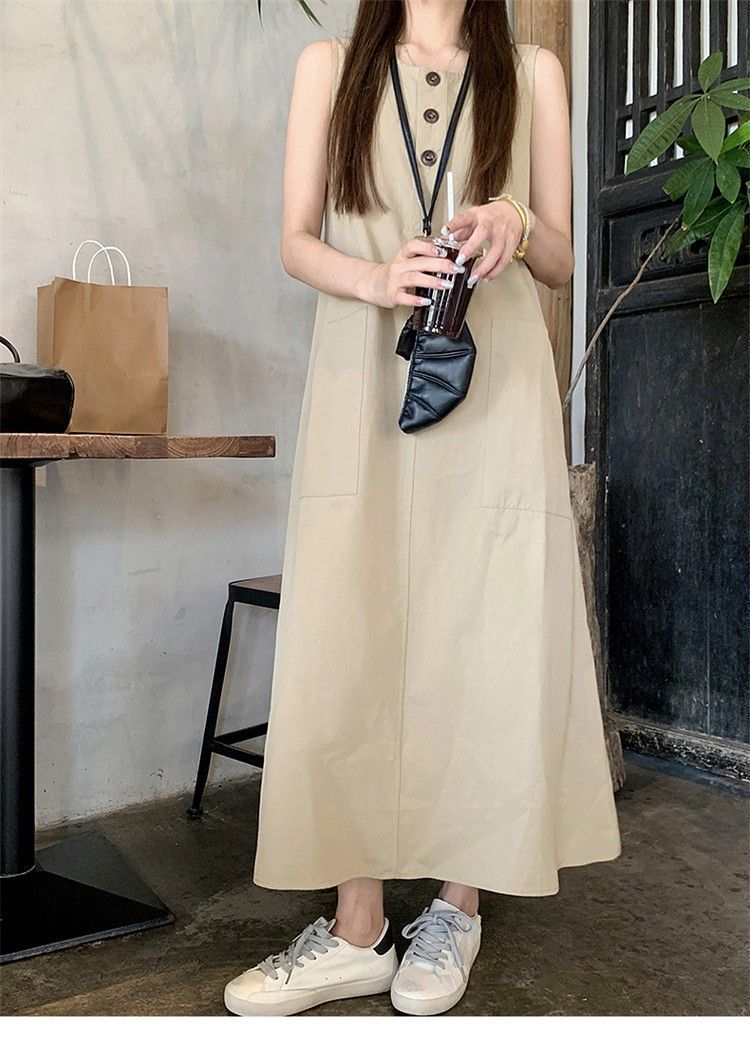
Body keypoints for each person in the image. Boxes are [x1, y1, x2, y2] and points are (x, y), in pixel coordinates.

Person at [225, 0, 621, 1018]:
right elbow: (295, 240)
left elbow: (563, 260)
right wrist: (374, 276)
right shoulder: (330, 65)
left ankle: (458, 904)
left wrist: (517, 223)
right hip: (362, 376)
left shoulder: (532, 71)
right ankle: (357, 925)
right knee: (350, 626)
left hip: (495, 390)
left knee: (485, 631)